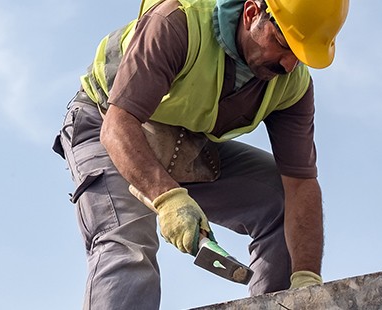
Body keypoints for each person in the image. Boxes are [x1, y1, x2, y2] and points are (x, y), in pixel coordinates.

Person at [51, 0, 348, 308]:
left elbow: (300, 183)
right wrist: (168, 199)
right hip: (107, 123)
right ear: (251, 14)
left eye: (299, 56)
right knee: (128, 247)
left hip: (184, 143)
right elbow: (118, 125)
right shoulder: (178, 23)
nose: (288, 64)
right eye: (283, 43)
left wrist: (306, 279)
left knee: (281, 198)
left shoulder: (292, 85)